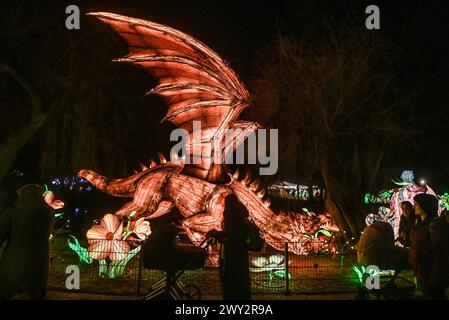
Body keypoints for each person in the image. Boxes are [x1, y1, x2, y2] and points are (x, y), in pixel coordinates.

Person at [0, 183, 54, 299]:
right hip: (39, 262)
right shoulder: (48, 213)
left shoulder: (11, 212)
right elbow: (48, 232)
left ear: (22, 194)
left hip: (12, 264)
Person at [207, 194, 262, 300]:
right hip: (238, 255)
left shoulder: (234, 217)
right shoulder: (239, 216)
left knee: (231, 281)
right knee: (240, 279)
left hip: (232, 255)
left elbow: (232, 237)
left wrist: (217, 235)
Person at [410, 193, 449, 299]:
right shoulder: (419, 223)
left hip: (432, 274)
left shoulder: (435, 225)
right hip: (423, 273)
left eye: (416, 204)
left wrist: (435, 277)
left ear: (425, 206)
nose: (413, 207)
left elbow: (440, 253)